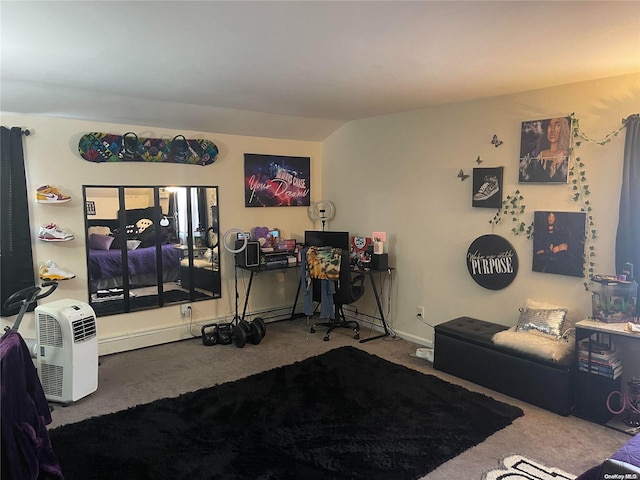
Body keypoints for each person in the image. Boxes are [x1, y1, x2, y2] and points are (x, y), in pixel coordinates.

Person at [533, 212, 582, 276]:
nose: (551, 219)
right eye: (549, 217)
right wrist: (546, 249)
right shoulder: (542, 230)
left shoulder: (559, 230)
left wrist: (558, 246)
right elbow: (539, 245)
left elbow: (560, 241)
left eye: (553, 217)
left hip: (556, 252)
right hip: (544, 252)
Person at [537, 117, 571, 182]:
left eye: (557, 126)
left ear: (563, 129)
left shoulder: (566, 154)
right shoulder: (542, 154)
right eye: (550, 126)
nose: (552, 130)